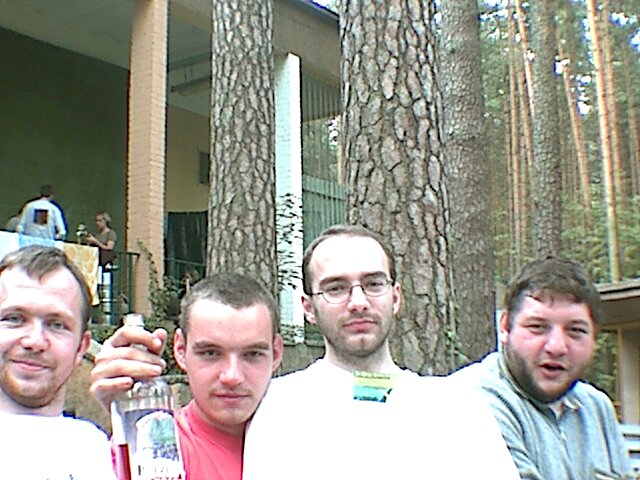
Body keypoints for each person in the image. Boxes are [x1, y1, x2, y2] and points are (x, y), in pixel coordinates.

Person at [242, 224, 520, 480]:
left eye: (374, 284)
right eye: (336, 288)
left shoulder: (457, 408)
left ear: (395, 297)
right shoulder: (278, 408)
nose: (358, 302)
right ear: (308, 308)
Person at [452, 256, 633, 479]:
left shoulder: (595, 406)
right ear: (505, 327)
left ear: (594, 338)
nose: (557, 347)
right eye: (537, 327)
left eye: (576, 330)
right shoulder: (469, 403)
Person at [90, 273, 284, 480]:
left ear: (276, 353)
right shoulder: (148, 450)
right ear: (180, 350)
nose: (232, 376)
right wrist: (121, 417)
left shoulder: (303, 442)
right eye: (210, 353)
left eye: (252, 354)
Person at [0, 245, 115, 479]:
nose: (35, 341)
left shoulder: (97, 450)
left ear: (81, 347)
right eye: (14, 318)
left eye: (57, 325)